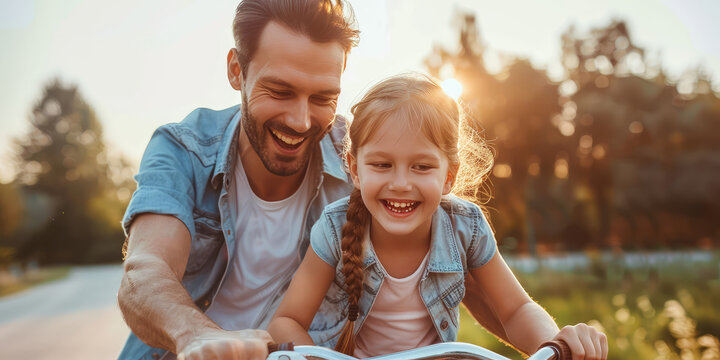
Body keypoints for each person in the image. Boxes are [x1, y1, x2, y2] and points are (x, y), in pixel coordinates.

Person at [267, 74, 609, 359]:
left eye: (422, 167)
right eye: (382, 165)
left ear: (449, 176)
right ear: (355, 170)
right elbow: (286, 321)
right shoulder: (334, 226)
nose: (401, 184)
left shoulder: (465, 227)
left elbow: (516, 310)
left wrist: (555, 345)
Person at [117, 1, 359, 359]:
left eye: (323, 98)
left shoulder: (359, 158)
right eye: (280, 91)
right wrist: (196, 336)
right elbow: (145, 271)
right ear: (236, 71)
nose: (301, 121)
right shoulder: (183, 149)